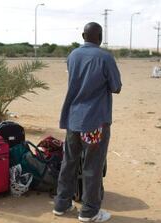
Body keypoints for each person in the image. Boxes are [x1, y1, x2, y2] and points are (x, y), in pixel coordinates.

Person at [53, 22, 122, 222]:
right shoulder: (105, 57)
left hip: (73, 119)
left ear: (83, 35)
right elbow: (116, 87)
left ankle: (61, 204)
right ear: (100, 37)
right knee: (93, 165)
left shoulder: (73, 55)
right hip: (94, 122)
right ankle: (89, 211)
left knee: (69, 162)